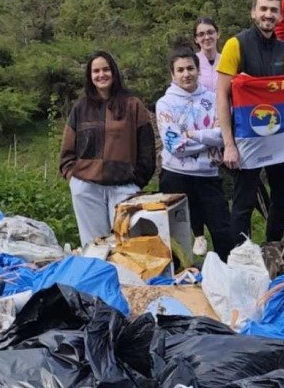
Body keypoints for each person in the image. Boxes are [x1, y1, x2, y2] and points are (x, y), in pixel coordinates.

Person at [216, 0, 284, 245]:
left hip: (276, 134)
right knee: (244, 199)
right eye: (263, 9)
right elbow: (222, 95)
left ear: (279, 15)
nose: (268, 15)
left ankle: (272, 243)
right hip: (246, 137)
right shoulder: (235, 44)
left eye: (274, 10)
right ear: (253, 12)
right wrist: (229, 144)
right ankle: (241, 254)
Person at [59, 51, 155, 247]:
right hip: (87, 187)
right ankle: (97, 277)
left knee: (127, 245)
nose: (101, 75)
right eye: (96, 71)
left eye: (105, 69)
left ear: (114, 72)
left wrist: (137, 180)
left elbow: (147, 148)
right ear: (90, 76)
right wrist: (73, 178)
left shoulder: (132, 105)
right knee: (94, 246)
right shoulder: (81, 107)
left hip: (124, 186)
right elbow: (67, 149)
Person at [156, 47, 235, 259]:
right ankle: (181, 278)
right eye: (180, 70)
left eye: (190, 68)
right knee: (174, 236)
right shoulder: (164, 104)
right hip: (175, 175)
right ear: (172, 74)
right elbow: (176, 146)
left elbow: (224, 135)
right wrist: (208, 139)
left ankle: (226, 274)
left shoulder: (215, 99)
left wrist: (194, 135)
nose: (186, 74)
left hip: (208, 174)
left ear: (198, 70)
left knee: (223, 231)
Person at [193, 17, 221, 93]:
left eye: (210, 32)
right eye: (201, 34)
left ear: (218, 34)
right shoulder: (191, 63)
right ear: (196, 39)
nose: (207, 37)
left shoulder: (226, 60)